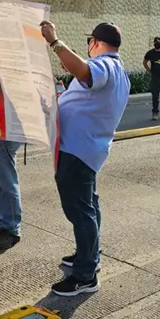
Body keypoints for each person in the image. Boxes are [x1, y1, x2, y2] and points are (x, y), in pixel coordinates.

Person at [41, 21, 130, 296]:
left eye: (88, 42)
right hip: (86, 149)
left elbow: (84, 70)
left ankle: (85, 276)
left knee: (81, 212)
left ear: (94, 42)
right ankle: (89, 256)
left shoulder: (105, 65)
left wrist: (55, 42)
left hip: (78, 150)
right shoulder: (119, 71)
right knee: (89, 206)